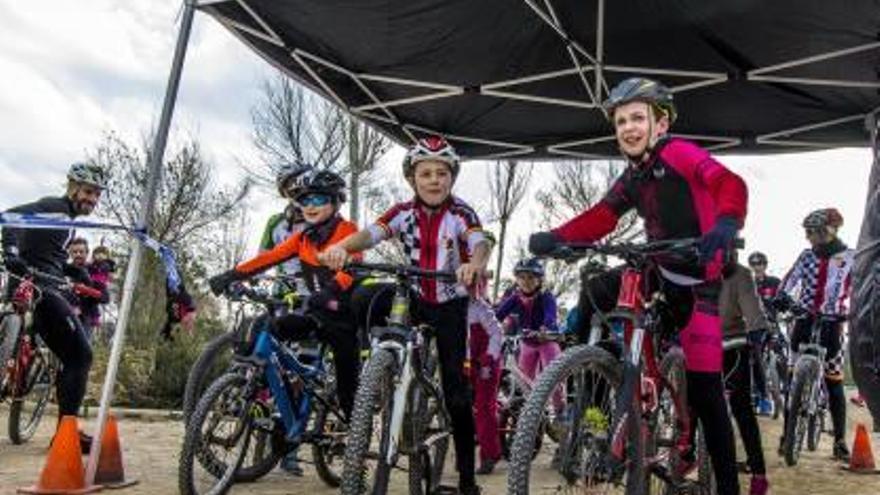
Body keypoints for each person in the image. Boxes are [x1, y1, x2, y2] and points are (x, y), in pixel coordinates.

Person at [529, 77, 746, 495]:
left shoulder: (679, 152)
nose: (628, 127)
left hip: (699, 278)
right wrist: (558, 236)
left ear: (660, 124)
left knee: (707, 394)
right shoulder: (634, 175)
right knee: (595, 291)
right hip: (658, 267)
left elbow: (727, 182)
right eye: (621, 121)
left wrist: (727, 221)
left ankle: (728, 488)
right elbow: (602, 216)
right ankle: (602, 387)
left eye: (636, 118)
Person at [320, 136, 492, 495]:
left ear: (452, 178)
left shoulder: (461, 213)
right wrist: (339, 248)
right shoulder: (402, 212)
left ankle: (466, 479)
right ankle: (379, 365)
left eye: (441, 173)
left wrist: (473, 266)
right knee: (363, 295)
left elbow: (480, 242)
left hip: (450, 303)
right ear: (412, 179)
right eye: (425, 173)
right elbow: (370, 235)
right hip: (416, 296)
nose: (433, 180)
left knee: (457, 395)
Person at [208, 169, 362, 428]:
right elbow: (268, 258)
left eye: (318, 200)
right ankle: (278, 403)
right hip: (314, 314)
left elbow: (353, 265)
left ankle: (355, 442)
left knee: (349, 394)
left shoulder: (347, 229)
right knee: (271, 330)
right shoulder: (302, 239)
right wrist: (230, 275)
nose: (310, 207)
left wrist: (330, 290)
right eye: (304, 201)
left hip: (343, 322)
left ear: (335, 201)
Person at [1, 162, 108, 453]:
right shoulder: (55, 206)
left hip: (41, 282)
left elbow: (49, 256)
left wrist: (75, 272)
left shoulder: (67, 223)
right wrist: (9, 251)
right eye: (88, 192)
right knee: (81, 355)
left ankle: (63, 426)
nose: (92, 199)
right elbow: (10, 216)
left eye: (97, 195)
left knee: (68, 354)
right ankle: (66, 434)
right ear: (72, 187)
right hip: (38, 287)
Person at [776, 207, 854, 462]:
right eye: (807, 232)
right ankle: (788, 435)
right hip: (804, 318)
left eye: (814, 232)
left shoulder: (851, 257)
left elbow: (863, 287)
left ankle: (840, 441)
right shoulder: (806, 256)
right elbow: (789, 281)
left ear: (829, 231)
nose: (809, 237)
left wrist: (855, 311)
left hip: (835, 321)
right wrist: (782, 297)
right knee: (791, 377)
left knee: (834, 382)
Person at [260, 162, 313, 476]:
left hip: (312, 300)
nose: (295, 190)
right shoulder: (275, 222)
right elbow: (262, 256)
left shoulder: (318, 219)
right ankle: (267, 433)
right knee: (272, 369)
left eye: (299, 184)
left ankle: (291, 452)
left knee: (302, 376)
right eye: (289, 186)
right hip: (282, 298)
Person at [720, 262, 770, 495]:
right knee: (743, 410)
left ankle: (686, 452)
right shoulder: (740, 273)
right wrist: (759, 333)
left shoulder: (689, 265)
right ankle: (759, 475)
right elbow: (754, 315)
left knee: (696, 406)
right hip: (732, 344)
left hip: (698, 345)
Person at [495, 258, 564, 413]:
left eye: (531, 278)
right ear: (517, 280)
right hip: (527, 343)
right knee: (524, 382)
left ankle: (560, 411)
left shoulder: (546, 296)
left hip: (547, 340)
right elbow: (498, 314)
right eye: (522, 278)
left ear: (539, 280)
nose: (526, 282)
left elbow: (550, 315)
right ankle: (530, 415)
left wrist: (546, 327)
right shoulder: (515, 297)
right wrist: (485, 322)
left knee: (553, 376)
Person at [467, 277, 503, 475]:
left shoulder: (481, 308)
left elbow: (497, 333)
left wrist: (489, 357)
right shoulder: (451, 308)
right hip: (465, 364)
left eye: (473, 286)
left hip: (486, 364)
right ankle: (465, 454)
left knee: (484, 407)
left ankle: (489, 455)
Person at [746, 251, 781, 415]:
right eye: (753, 264)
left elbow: (785, 300)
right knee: (750, 355)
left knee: (779, 353)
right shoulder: (746, 284)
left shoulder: (774, 283)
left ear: (765, 265)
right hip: (749, 326)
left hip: (770, 326)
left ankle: (766, 397)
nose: (756, 267)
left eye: (760, 263)